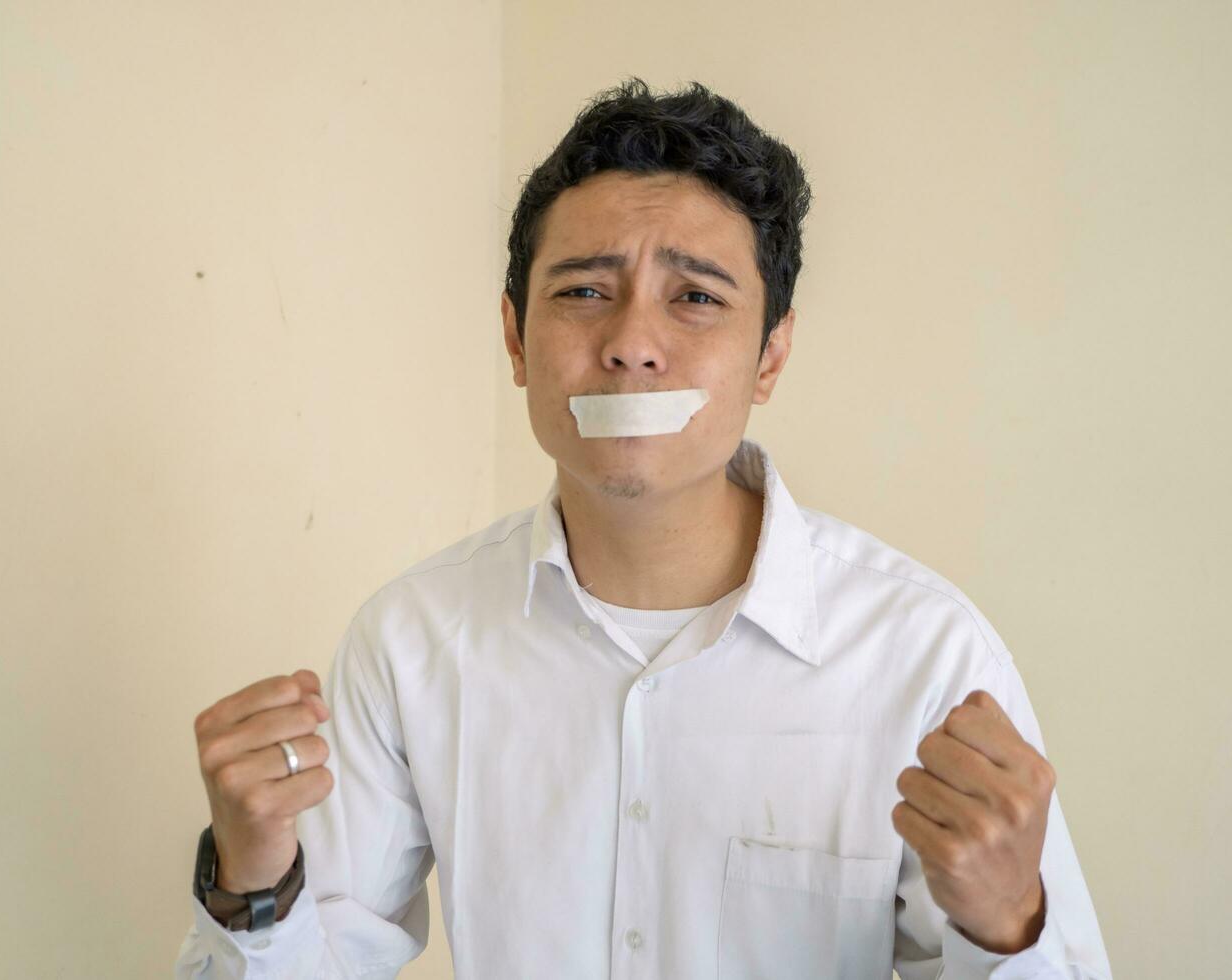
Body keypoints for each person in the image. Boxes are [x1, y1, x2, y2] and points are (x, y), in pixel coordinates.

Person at [175, 78, 1112, 979]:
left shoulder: (925, 656)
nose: (631, 342)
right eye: (583, 291)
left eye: (696, 297)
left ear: (770, 355)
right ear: (514, 338)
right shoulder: (413, 641)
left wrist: (1008, 926)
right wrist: (251, 883)